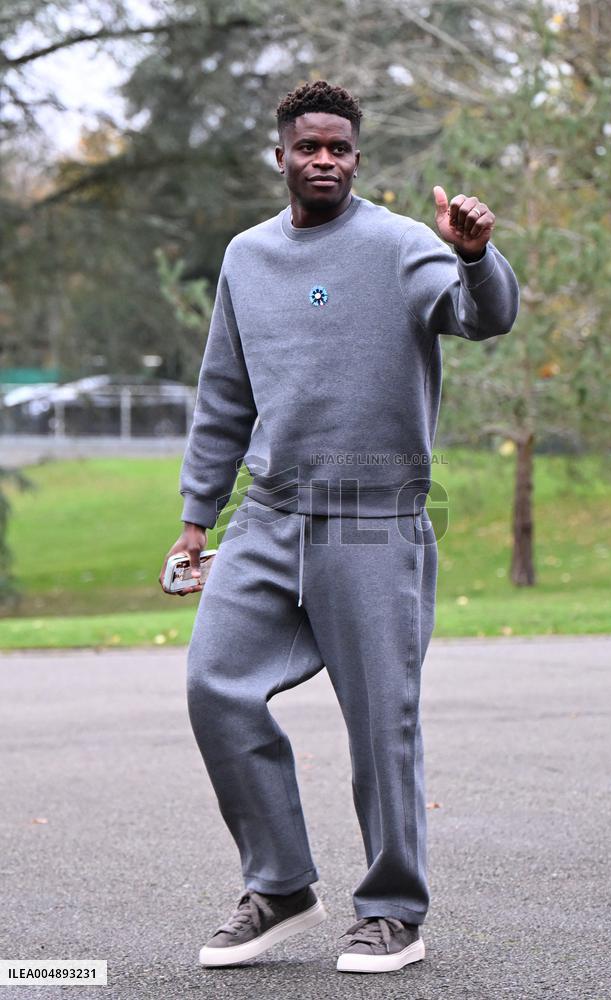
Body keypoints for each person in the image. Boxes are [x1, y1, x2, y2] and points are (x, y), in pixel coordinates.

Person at [159, 79, 520, 975]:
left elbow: (485, 318)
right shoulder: (245, 257)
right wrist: (197, 520)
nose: (325, 160)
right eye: (309, 146)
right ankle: (280, 885)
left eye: (341, 149)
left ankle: (394, 910)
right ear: (280, 155)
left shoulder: (404, 246)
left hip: (373, 520)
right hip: (270, 514)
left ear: (358, 159)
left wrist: (475, 257)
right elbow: (223, 396)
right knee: (215, 685)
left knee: (379, 722)